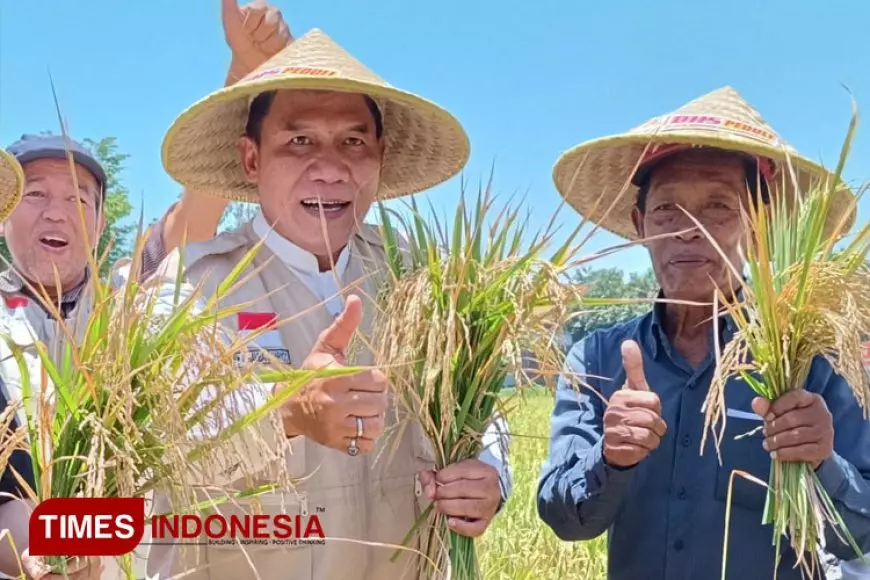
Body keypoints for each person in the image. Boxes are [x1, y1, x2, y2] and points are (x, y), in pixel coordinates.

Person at [146, 27, 511, 580]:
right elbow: (157, 446)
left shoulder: (427, 281)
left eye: (354, 142)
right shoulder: (192, 287)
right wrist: (286, 411)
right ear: (250, 159)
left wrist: (490, 476)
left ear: (380, 156)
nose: (331, 167)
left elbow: (482, 407)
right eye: (299, 141)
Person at [0, 3, 293, 578]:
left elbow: (195, 215)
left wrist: (243, 69)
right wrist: (42, 544)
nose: (57, 213)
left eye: (79, 199)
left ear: (103, 223)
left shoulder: (129, 303)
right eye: (35, 194)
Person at [537, 86, 870, 580]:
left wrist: (823, 462)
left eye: (718, 207)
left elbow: (860, 538)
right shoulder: (598, 359)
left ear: (761, 229)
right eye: (667, 209)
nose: (689, 229)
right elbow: (563, 518)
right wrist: (610, 459)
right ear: (640, 224)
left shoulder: (813, 363)